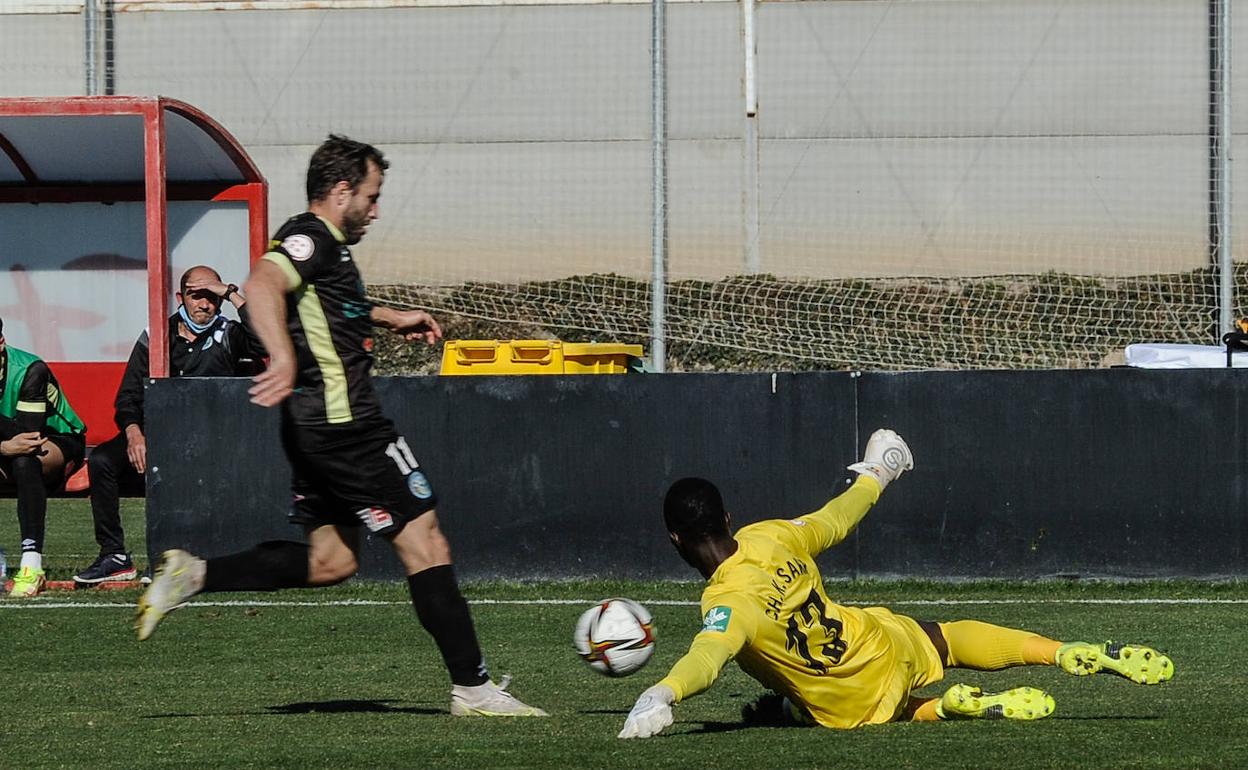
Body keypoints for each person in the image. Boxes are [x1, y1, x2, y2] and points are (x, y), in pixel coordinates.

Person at [134, 134, 546, 718]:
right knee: (426, 542)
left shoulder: (329, 248)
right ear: (342, 190)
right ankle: (474, 691)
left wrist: (389, 315)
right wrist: (279, 355)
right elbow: (261, 285)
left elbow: (326, 304)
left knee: (333, 561)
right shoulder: (309, 237)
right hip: (348, 425)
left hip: (314, 428)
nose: (376, 211)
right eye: (372, 197)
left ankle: (194, 574)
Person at [618, 429, 1175, 738]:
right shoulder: (771, 537)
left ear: (674, 538)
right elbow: (836, 518)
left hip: (845, 699)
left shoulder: (725, 601)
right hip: (874, 638)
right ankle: (1061, 651)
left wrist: (663, 692)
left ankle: (949, 708)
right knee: (947, 637)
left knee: (849, 707)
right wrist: (878, 471)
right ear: (728, 518)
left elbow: (709, 654)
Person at [72, 266, 265, 585]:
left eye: (211, 296)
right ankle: (114, 556)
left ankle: (174, 558)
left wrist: (231, 294)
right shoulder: (157, 334)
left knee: (190, 463)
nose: (204, 304)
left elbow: (264, 343)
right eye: (196, 295)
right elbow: (128, 396)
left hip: (211, 436)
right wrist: (134, 433)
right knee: (104, 460)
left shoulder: (229, 333)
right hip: (158, 431)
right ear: (181, 297)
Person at [0, 317, 88, 597]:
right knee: (16, 457)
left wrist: (4, 447)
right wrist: (1, 448)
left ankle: (31, 564)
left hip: (59, 438)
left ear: (0, 342)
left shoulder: (30, 369)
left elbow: (28, 436)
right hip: (5, 445)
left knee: (25, 462)